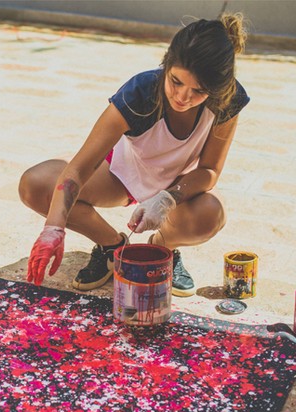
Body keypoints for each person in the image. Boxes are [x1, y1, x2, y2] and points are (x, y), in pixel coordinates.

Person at [18, 13, 250, 297]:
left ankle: (163, 249)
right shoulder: (140, 93)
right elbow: (79, 169)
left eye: (198, 91)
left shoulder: (228, 99)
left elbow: (210, 171)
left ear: (216, 90)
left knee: (210, 215)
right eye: (175, 81)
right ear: (166, 63)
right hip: (122, 177)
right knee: (36, 185)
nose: (182, 97)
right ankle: (112, 248)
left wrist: (167, 199)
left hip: (179, 187)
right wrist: (53, 229)